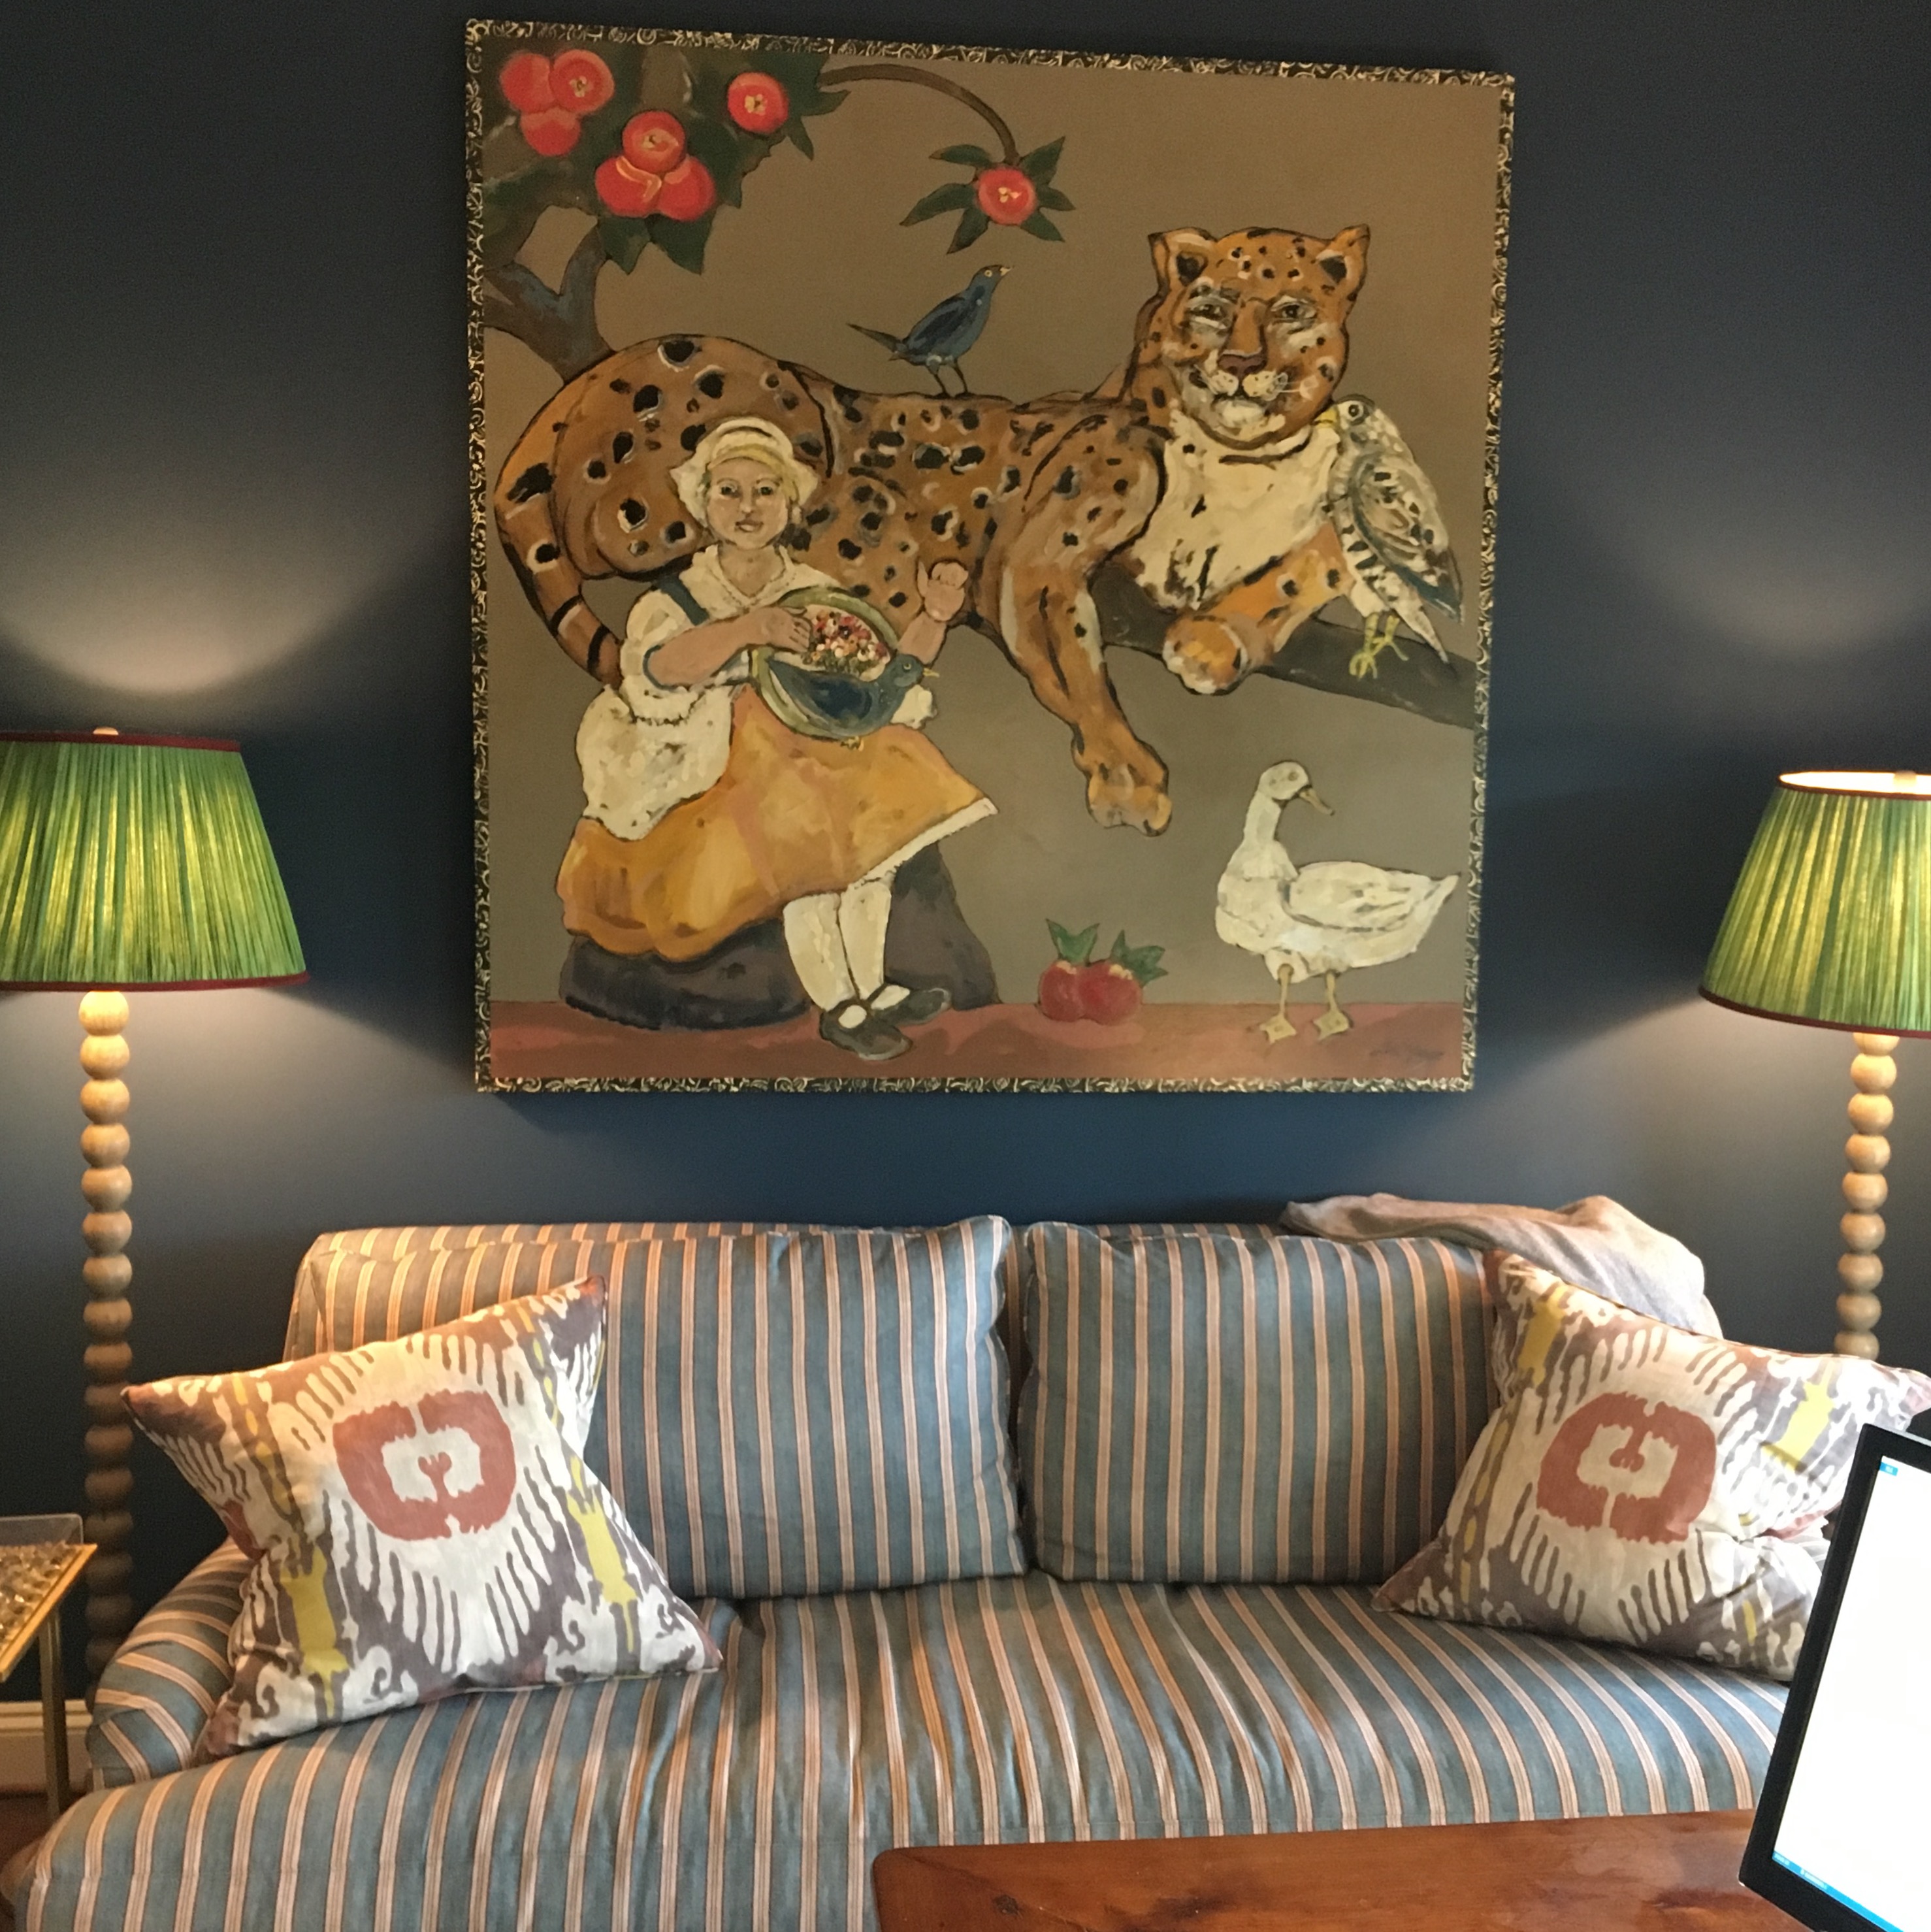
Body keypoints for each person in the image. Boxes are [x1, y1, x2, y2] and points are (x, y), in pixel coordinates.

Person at [557, 416, 994, 1062]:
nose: (748, 507)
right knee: (807, 850)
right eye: (730, 491)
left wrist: (932, 616)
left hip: (814, 747)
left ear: (790, 506)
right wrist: (748, 629)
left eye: (766, 491)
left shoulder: (813, 592)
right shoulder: (677, 598)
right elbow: (656, 669)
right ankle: (838, 1001)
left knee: (871, 844)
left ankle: (871, 987)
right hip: (718, 760)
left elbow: (879, 677)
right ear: (702, 503)